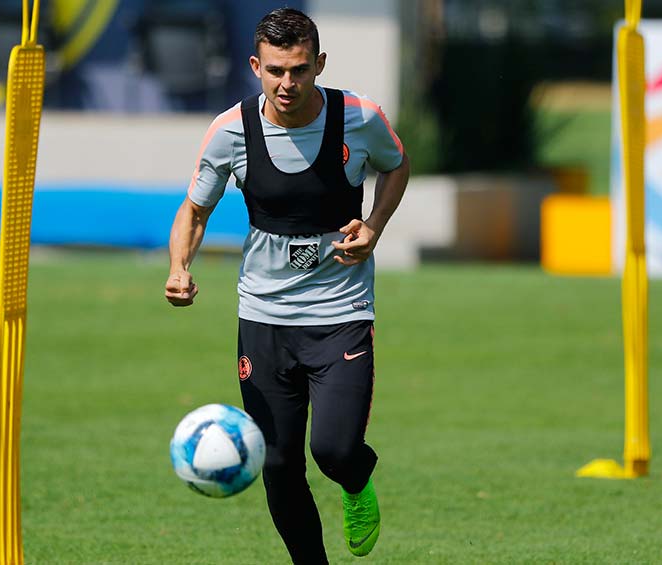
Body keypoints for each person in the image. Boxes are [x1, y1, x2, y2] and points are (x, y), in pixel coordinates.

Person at [164, 7, 410, 564]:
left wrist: (372, 228)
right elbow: (195, 209)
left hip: (340, 310)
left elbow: (397, 165)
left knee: (335, 449)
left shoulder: (360, 117)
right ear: (256, 66)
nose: (287, 83)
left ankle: (356, 482)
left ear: (318, 63)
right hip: (264, 319)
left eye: (299, 69)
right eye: (275, 70)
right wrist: (180, 267)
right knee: (277, 464)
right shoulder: (229, 131)